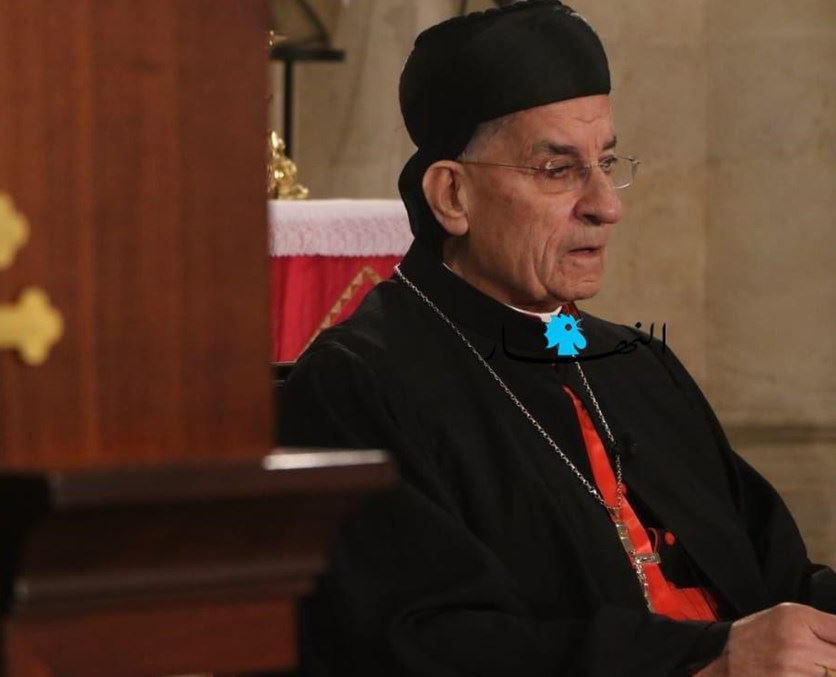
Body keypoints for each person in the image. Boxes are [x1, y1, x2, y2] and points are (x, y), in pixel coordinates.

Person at [277, 2, 836, 674]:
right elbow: (428, 646)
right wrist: (711, 659)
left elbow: (782, 579)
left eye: (607, 162)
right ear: (452, 196)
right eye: (558, 169)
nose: (607, 205)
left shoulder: (636, 365)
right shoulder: (356, 385)